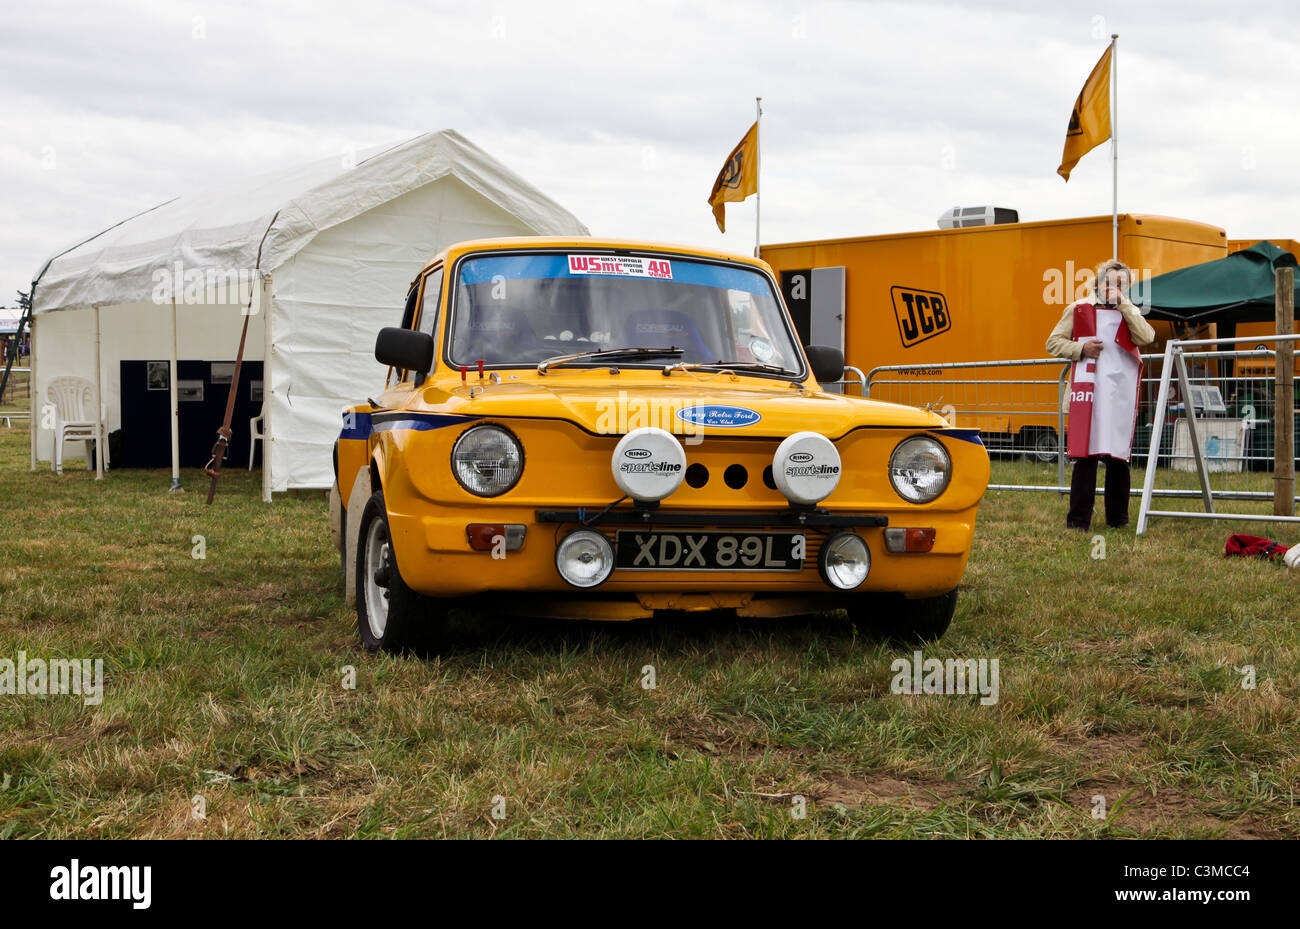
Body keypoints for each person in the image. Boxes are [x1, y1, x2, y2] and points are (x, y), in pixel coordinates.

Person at [1046, 259, 1155, 530]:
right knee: (1086, 458)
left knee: (1118, 459)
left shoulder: (1128, 313)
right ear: (1098, 282)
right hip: (1087, 395)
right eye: (1110, 282)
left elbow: (1147, 337)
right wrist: (1081, 350)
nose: (1114, 288)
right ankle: (1078, 521)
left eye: (1121, 284)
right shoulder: (1079, 309)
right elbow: (1052, 343)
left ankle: (1118, 520)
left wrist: (1126, 306)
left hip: (1118, 397)